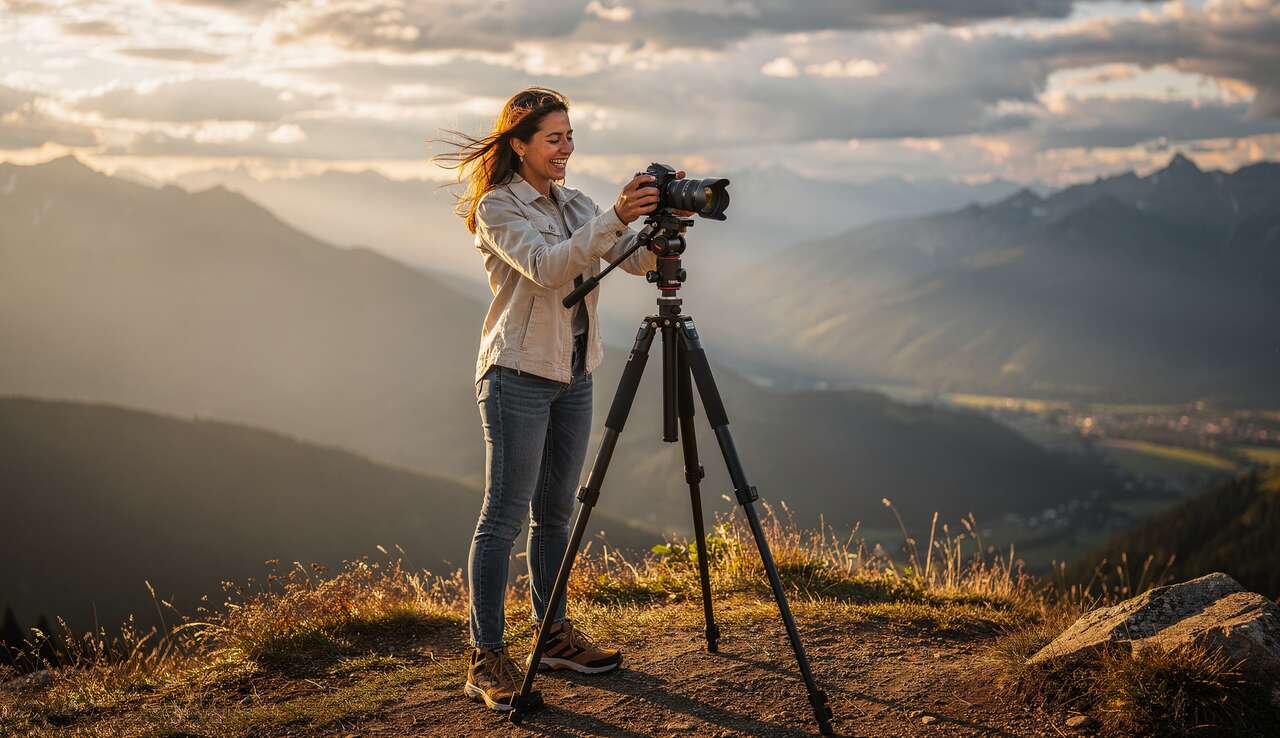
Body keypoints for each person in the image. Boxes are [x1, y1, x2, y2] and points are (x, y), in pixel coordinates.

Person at [432, 86, 690, 712]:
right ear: (519, 145)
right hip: (517, 375)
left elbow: (622, 262)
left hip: (574, 374)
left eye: (570, 136)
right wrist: (618, 218)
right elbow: (549, 267)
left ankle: (553, 636)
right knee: (503, 517)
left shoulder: (575, 203)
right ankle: (485, 654)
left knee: (555, 514)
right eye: (554, 138)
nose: (566, 148)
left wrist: (661, 232)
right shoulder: (498, 209)